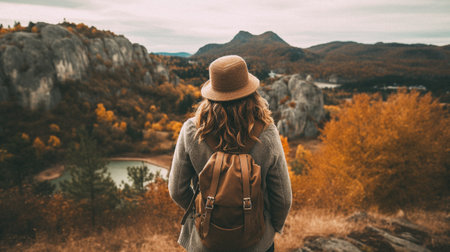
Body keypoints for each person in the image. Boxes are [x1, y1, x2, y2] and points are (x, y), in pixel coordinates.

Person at [169, 55, 292, 252]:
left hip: (204, 242)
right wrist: (270, 228)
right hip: (256, 243)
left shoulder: (191, 130)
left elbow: (177, 190)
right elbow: (283, 199)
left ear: (212, 92)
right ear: (251, 92)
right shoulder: (267, 133)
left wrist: (204, 216)